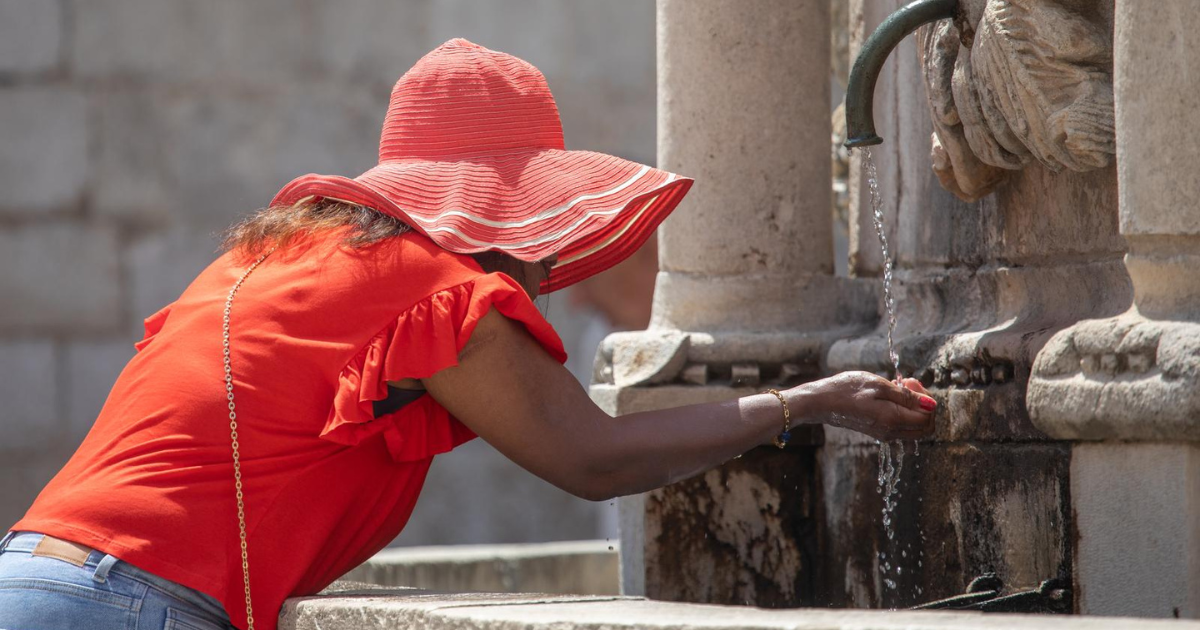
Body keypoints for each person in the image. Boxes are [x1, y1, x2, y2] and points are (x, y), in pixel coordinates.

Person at [0, 39, 935, 630]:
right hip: (132, 607)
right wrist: (806, 401)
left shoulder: (277, 260)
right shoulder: (435, 290)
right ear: (497, 211)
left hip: (33, 578)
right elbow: (593, 459)